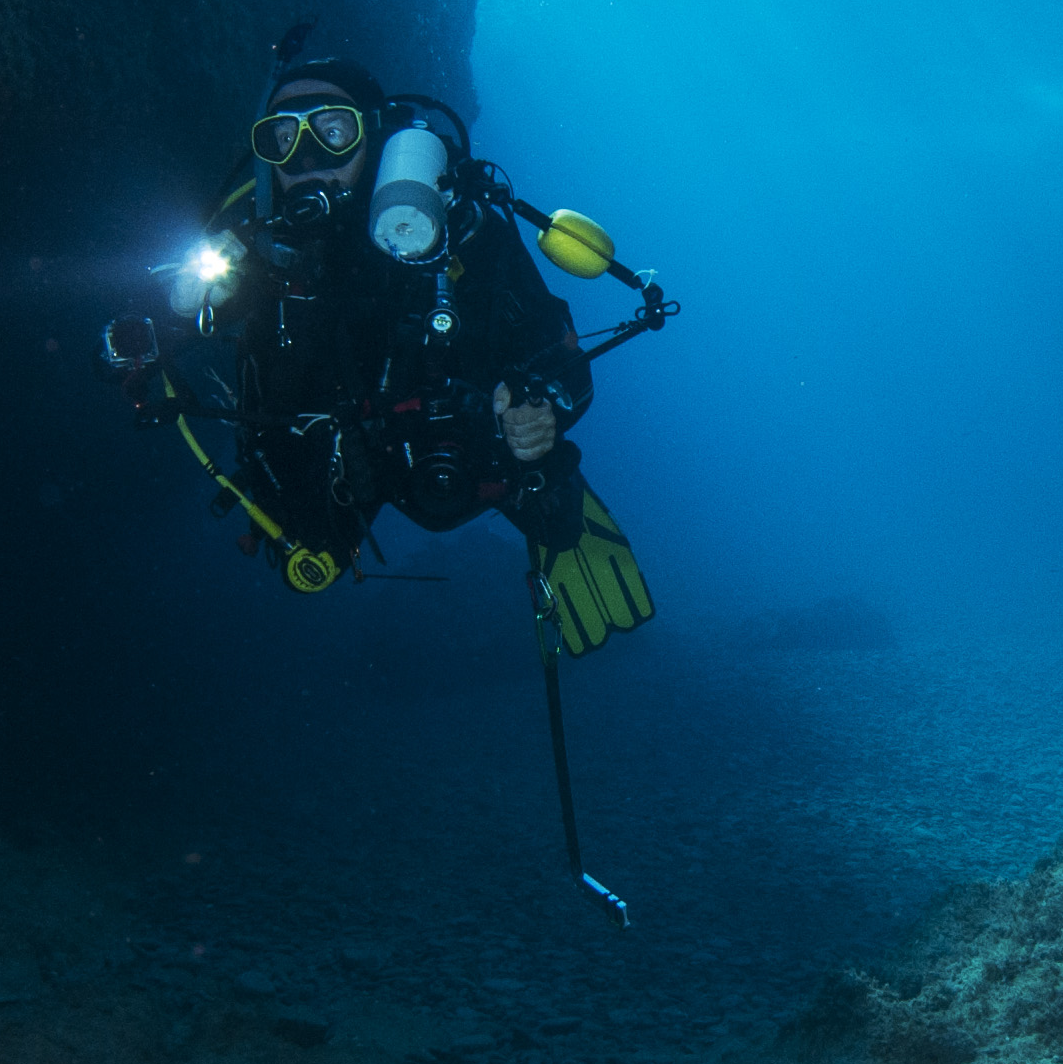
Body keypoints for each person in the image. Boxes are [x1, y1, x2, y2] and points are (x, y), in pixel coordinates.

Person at [103, 59, 654, 650]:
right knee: (309, 554)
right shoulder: (260, 255)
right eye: (283, 140)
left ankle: (549, 498)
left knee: (533, 492)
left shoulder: (461, 230)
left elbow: (558, 347)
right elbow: (159, 326)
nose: (308, 156)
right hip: (340, 463)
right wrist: (130, 350)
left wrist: (541, 407)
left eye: (332, 130)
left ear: (374, 132)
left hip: (464, 445)